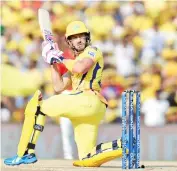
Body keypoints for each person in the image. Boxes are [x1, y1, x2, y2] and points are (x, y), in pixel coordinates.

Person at [4, 21, 123, 167]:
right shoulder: (73, 61)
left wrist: (58, 56)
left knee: (37, 107)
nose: (79, 40)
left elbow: (80, 68)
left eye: (82, 36)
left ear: (87, 38)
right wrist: (52, 61)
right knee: (87, 159)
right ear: (69, 41)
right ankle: (125, 144)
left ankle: (24, 153)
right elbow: (58, 86)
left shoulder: (93, 51)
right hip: (90, 108)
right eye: (75, 37)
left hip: (87, 100)